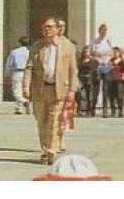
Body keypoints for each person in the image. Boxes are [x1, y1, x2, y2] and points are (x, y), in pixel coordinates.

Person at [23, 16, 80, 164]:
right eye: (44, 27)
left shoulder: (67, 47)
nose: (46, 30)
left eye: (49, 27)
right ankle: (45, 150)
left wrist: (72, 91)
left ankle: (51, 152)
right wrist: (25, 86)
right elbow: (29, 67)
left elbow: (73, 70)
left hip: (58, 90)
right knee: (41, 121)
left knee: (54, 121)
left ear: (57, 29)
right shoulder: (37, 46)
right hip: (40, 90)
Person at [90, 23, 115, 116]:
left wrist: (109, 60)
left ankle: (105, 110)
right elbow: (91, 54)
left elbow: (112, 53)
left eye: (105, 30)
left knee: (106, 89)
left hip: (107, 66)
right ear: (99, 31)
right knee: (96, 88)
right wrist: (97, 59)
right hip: (98, 66)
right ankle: (92, 108)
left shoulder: (108, 41)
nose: (104, 32)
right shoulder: (95, 42)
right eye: (102, 30)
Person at [6, 36, 31, 114]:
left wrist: (7, 73)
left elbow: (9, 63)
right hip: (27, 72)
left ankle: (24, 102)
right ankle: (18, 109)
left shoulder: (14, 52)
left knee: (16, 91)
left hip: (17, 72)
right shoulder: (29, 52)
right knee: (24, 90)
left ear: (19, 43)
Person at [108, 47, 124, 117]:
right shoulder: (110, 61)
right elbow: (108, 69)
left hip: (119, 80)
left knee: (119, 96)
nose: (115, 53)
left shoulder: (122, 62)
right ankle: (113, 111)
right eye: (114, 52)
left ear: (119, 53)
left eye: (116, 52)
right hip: (111, 80)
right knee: (111, 96)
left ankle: (120, 110)